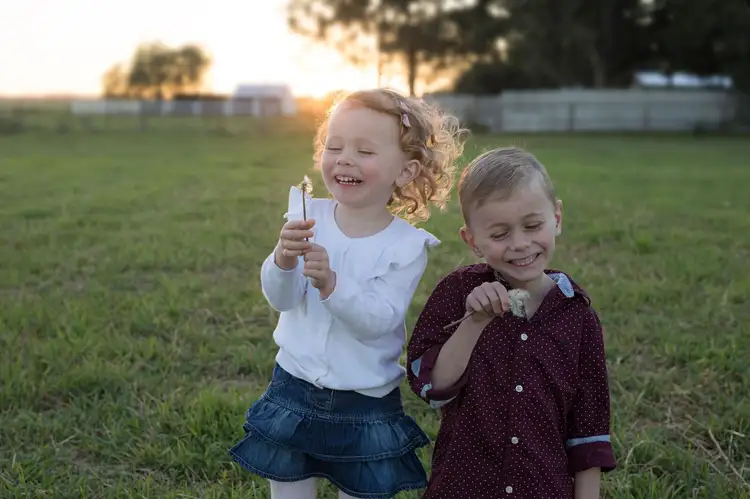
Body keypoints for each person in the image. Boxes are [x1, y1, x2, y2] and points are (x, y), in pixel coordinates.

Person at [229, 88, 467, 499]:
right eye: (334, 146)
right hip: (293, 385)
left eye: (365, 151)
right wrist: (282, 260)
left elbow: (380, 320)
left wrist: (332, 285)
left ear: (405, 171)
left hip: (364, 402)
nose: (344, 159)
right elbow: (282, 300)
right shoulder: (308, 217)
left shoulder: (404, 247)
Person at [406, 147, 616, 499]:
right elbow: (432, 386)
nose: (520, 244)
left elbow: (589, 427)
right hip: (463, 487)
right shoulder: (455, 293)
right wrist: (474, 322)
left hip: (542, 487)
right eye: (500, 234)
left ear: (557, 218)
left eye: (533, 226)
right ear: (472, 241)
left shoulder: (577, 315)